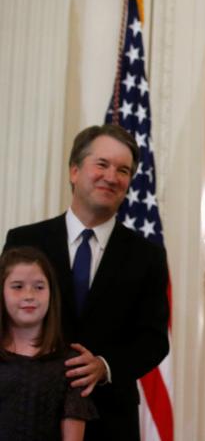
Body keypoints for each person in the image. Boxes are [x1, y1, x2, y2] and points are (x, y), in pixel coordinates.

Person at [3, 124, 169, 441]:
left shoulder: (148, 257)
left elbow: (154, 340)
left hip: (110, 418)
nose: (112, 177)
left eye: (123, 170)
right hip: (27, 412)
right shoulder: (25, 240)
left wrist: (105, 366)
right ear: (75, 171)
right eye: (102, 164)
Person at [0, 246, 97, 441]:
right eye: (18, 286)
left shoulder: (72, 365)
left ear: (51, 293)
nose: (29, 295)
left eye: (39, 287)